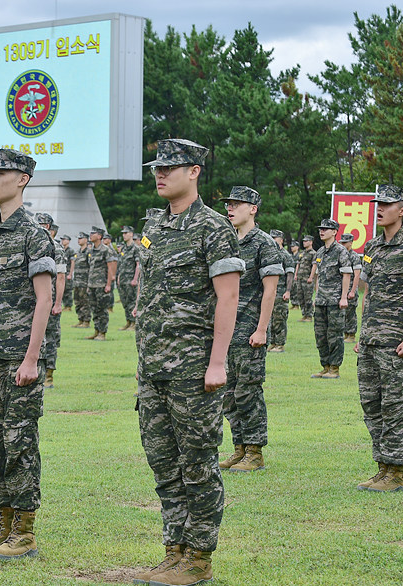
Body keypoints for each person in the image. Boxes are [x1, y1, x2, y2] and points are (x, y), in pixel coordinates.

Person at [131, 139, 242, 586]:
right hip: (154, 367)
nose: (159, 175)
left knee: (197, 462)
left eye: (170, 168)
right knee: (163, 461)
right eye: (156, 168)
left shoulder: (213, 228)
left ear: (193, 171)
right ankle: (173, 549)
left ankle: (199, 556)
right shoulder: (155, 225)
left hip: (193, 369)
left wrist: (217, 363)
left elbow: (228, 296)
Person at [0, 148, 55, 560]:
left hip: (20, 357)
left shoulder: (34, 233)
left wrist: (33, 359)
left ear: (22, 180)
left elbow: (44, 300)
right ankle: (3, 526)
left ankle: (25, 531)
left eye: (0, 173)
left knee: (20, 441)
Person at [354, 184, 403, 492]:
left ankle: (396, 471)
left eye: (387, 204)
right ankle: (382, 467)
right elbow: (366, 291)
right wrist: (363, 333)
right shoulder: (371, 248)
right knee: (371, 405)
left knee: (394, 406)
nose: (379, 208)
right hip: (371, 340)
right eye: (378, 203)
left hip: (396, 342)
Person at [218, 187, 282, 473]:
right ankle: (239, 448)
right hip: (225, 331)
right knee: (228, 394)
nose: (231, 209)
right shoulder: (226, 241)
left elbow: (270, 291)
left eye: (237, 204)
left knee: (248, 392)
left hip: (249, 331)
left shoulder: (264, 243)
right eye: (229, 204)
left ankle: (254, 452)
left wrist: (262, 329)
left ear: (253, 208)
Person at [309, 219, 352, 379]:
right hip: (321, 300)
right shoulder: (320, 252)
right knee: (320, 335)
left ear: (334, 232)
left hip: (335, 300)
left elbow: (346, 274)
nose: (322, 231)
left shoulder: (341, 251)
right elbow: (318, 276)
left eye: (326, 229)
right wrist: (316, 295)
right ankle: (325, 366)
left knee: (334, 335)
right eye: (321, 229)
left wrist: (343, 297)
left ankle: (334, 368)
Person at [36, 213, 66, 388]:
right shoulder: (33, 245)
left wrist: (57, 303)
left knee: (50, 337)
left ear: (47, 226)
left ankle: (49, 375)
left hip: (50, 299)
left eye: (40, 224)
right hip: (34, 300)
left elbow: (61, 278)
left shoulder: (56, 248)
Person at [85, 227, 116, 340]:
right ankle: (96, 331)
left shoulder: (105, 250)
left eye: (93, 233)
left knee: (102, 309)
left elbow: (110, 268)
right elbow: (91, 268)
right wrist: (89, 285)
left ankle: (102, 333)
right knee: (94, 309)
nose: (91, 235)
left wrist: (108, 284)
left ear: (99, 236)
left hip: (101, 285)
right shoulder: (91, 250)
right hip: (92, 284)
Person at [268, 229, 295, 352]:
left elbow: (290, 275)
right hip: (269, 292)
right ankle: (272, 342)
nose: (273, 240)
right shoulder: (268, 253)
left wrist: (288, 291)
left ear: (281, 240)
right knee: (270, 319)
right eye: (271, 237)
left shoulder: (285, 255)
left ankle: (280, 344)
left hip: (280, 291)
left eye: (275, 238)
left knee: (280, 318)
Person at [116, 225, 140, 330]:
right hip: (123, 280)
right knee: (125, 301)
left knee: (132, 301)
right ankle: (128, 321)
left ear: (131, 234)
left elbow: (138, 265)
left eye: (126, 233)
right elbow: (121, 264)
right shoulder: (124, 249)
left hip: (131, 280)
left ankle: (134, 323)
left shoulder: (136, 248)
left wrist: (135, 279)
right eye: (123, 233)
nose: (124, 235)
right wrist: (119, 277)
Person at [340, 233, 362, 343]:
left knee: (351, 313)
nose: (343, 244)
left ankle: (351, 334)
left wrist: (353, 290)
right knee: (343, 313)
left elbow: (357, 275)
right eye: (341, 242)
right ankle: (345, 333)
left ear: (351, 243)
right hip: (342, 289)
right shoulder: (341, 255)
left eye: (345, 242)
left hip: (351, 288)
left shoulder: (354, 256)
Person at [70, 232, 91, 328]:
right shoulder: (77, 252)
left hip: (85, 281)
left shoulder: (89, 252)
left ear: (86, 240)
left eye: (81, 238)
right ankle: (80, 319)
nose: (79, 240)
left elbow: (91, 267)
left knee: (85, 301)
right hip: (77, 281)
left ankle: (86, 321)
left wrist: (89, 282)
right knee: (77, 301)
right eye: (78, 238)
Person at [296, 235, 317, 321]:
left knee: (307, 298)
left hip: (307, 279)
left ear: (311, 242)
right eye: (304, 241)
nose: (304, 242)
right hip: (300, 278)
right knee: (301, 297)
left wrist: (311, 277)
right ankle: (304, 314)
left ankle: (309, 315)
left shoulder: (313, 253)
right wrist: (296, 275)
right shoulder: (302, 253)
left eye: (306, 241)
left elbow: (314, 266)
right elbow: (298, 264)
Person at [60, 234, 74, 310]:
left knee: (68, 290)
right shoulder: (62, 249)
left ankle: (68, 306)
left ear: (68, 241)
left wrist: (70, 274)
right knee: (63, 289)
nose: (62, 241)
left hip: (67, 272)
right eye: (62, 239)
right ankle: (65, 305)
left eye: (64, 239)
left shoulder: (71, 251)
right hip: (62, 272)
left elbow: (72, 262)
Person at [289, 241, 301, 309]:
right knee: (292, 289)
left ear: (297, 247)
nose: (291, 248)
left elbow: (298, 265)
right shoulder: (291, 256)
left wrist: (296, 274)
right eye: (291, 246)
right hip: (291, 274)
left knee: (296, 289)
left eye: (293, 246)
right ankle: (293, 303)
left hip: (297, 274)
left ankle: (297, 304)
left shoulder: (299, 255)